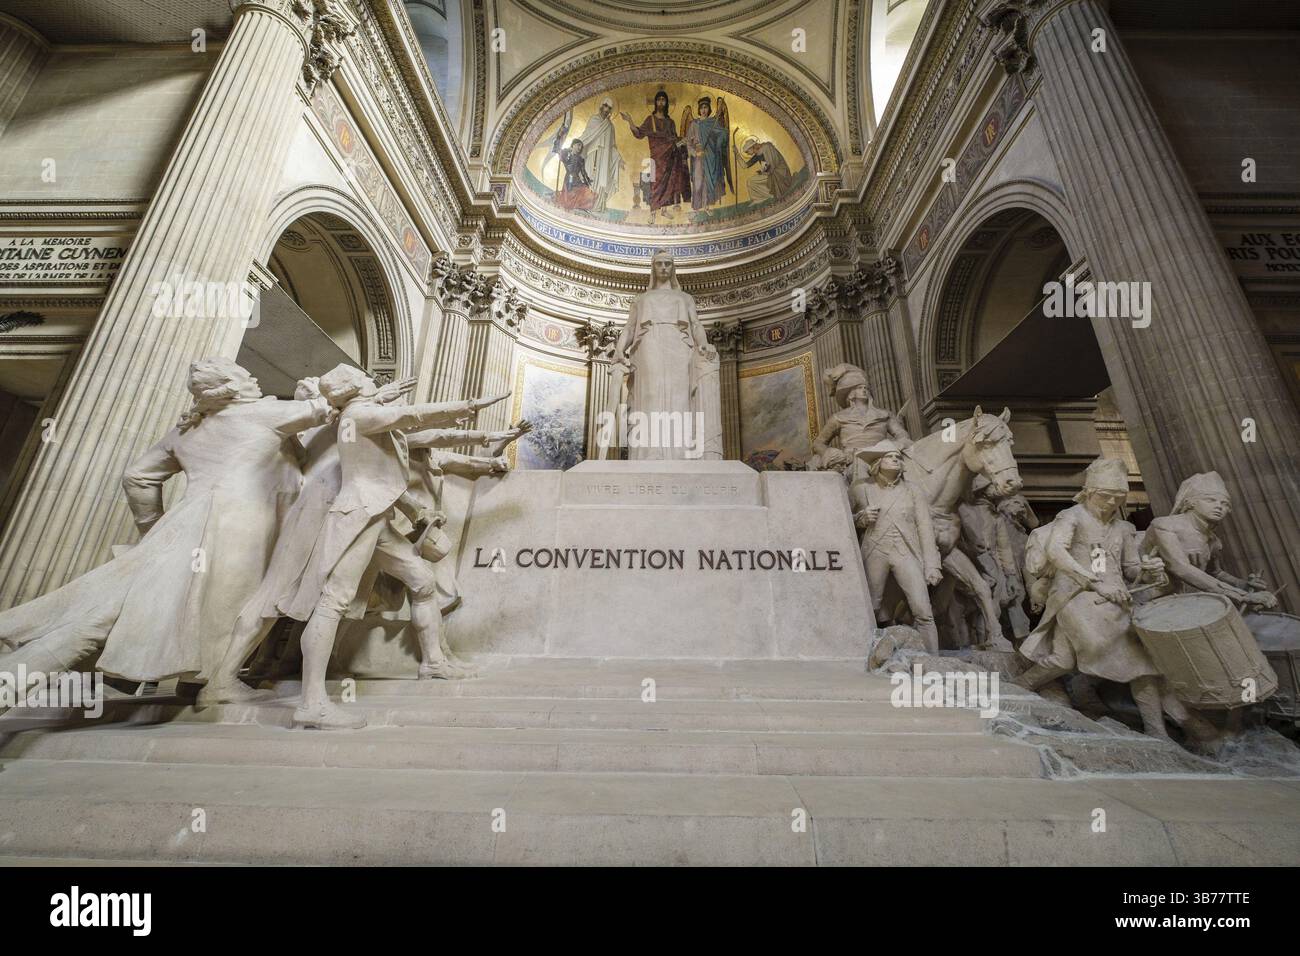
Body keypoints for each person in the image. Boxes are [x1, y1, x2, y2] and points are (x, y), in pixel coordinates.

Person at [0, 359, 332, 684]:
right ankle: (212, 686)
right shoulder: (261, 414)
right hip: (238, 528)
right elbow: (329, 407)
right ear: (231, 388)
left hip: (181, 522)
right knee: (214, 608)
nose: (255, 380)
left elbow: (137, 477)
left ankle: (15, 675)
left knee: (119, 608)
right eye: (246, 376)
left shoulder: (186, 429)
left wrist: (153, 528)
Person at [287, 365, 507, 729]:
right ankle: (312, 702)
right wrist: (469, 404)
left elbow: (408, 431)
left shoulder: (359, 413)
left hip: (377, 516)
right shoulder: (359, 415)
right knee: (334, 601)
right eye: (364, 378)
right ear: (356, 386)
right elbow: (413, 415)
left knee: (421, 580)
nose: (371, 379)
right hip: (359, 514)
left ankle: (433, 661)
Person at [197, 372, 417, 705]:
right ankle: (234, 679)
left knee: (306, 598)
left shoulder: (336, 422)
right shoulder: (336, 420)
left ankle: (263, 671)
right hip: (321, 511)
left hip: (333, 511)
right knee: (286, 596)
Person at [1016, 457, 1217, 744]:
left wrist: (1148, 571)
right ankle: (1157, 731)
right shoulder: (1071, 517)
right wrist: (1096, 583)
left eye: (1117, 497)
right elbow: (1057, 553)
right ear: (1089, 492)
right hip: (1076, 597)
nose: (1110, 502)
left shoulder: (1122, 528)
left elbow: (1130, 568)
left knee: (1064, 659)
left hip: (1116, 601)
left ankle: (1020, 686)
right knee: (1135, 660)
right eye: (1104, 496)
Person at [604, 249, 720, 460]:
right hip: (649, 344)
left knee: (680, 397)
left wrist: (702, 344)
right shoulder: (642, 299)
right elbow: (630, 328)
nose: (664, 267)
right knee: (650, 394)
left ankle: (680, 453)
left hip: (679, 344)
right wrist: (620, 350)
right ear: (653, 268)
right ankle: (648, 452)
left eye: (668, 263)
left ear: (673, 268)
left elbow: (695, 324)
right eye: (660, 264)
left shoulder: (685, 298)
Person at [851, 440, 943, 653]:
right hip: (875, 550)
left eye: (898, 457)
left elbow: (925, 528)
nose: (895, 459)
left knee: (923, 609)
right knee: (871, 607)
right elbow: (843, 522)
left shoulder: (913, 490)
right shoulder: (861, 488)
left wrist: (932, 565)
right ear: (877, 462)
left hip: (905, 551)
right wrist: (861, 518)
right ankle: (867, 657)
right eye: (890, 456)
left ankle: (933, 658)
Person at [1142, 471, 1277, 609]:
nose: (1219, 506)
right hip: (1159, 599)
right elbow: (1181, 567)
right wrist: (1241, 595)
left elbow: (1215, 572)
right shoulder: (1164, 525)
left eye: (1225, 503)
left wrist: (1242, 584)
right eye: (1210, 500)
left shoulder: (1213, 540)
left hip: (1194, 600)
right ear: (1191, 502)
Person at [808, 363, 911, 478]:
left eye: (865, 388)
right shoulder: (838, 417)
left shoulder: (884, 414)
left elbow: (902, 435)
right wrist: (829, 452)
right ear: (851, 394)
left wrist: (897, 444)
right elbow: (818, 443)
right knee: (860, 470)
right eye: (859, 388)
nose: (864, 390)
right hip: (853, 459)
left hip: (882, 455)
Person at [621, 90, 691, 224]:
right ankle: (653, 212)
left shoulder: (670, 122)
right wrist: (630, 121)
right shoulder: (650, 120)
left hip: (670, 157)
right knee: (656, 184)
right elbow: (639, 133)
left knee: (669, 183)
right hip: (657, 157)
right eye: (658, 100)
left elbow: (674, 138)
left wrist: (683, 141)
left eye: (663, 100)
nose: (661, 102)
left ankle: (664, 210)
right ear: (655, 103)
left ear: (666, 103)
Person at [574, 97, 624, 213]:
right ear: (601, 106)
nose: (606, 109)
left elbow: (612, 146)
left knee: (602, 179)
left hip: (604, 158)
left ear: (611, 111)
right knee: (588, 175)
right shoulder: (594, 119)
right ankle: (583, 203)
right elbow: (587, 135)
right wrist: (575, 146)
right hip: (592, 153)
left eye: (609, 108)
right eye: (605, 106)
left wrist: (618, 159)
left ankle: (596, 206)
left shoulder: (610, 126)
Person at [685, 96, 729, 211]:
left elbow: (722, 136)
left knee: (708, 182)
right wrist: (695, 153)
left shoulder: (713, 122)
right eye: (702, 108)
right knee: (698, 181)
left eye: (706, 107)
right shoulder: (694, 124)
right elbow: (688, 143)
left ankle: (706, 205)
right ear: (698, 110)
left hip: (710, 155)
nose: (704, 110)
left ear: (709, 109)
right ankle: (696, 207)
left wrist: (723, 134)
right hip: (699, 155)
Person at [734, 136, 792, 203]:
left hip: (779, 172)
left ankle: (773, 193)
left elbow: (772, 164)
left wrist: (764, 171)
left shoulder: (767, 147)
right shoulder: (757, 155)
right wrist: (737, 154)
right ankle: (761, 198)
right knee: (750, 182)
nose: (747, 153)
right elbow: (745, 166)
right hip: (769, 173)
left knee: (754, 181)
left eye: (747, 151)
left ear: (752, 147)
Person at [554, 139, 596, 212]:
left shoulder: (580, 159)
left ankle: (580, 206)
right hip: (569, 178)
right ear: (573, 145)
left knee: (586, 191)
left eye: (581, 146)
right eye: (578, 145)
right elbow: (559, 152)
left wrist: (587, 180)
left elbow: (583, 171)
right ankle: (569, 205)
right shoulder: (567, 154)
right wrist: (559, 141)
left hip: (577, 179)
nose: (580, 147)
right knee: (569, 194)